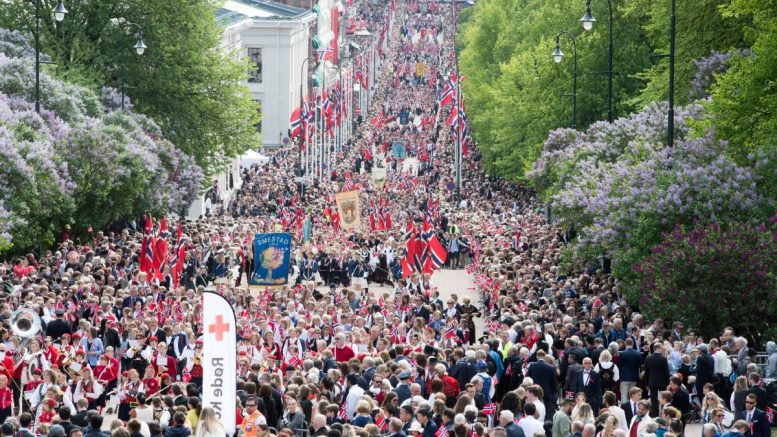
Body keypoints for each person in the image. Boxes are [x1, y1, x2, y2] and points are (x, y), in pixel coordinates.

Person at [644, 344, 670, 417]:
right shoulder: (663, 359)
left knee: (654, 400)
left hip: (652, 382)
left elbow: (647, 372)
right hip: (662, 382)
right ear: (658, 348)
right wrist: (667, 382)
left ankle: (655, 416)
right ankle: (663, 414)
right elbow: (666, 372)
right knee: (664, 399)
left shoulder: (648, 358)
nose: (663, 349)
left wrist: (647, 383)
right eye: (662, 348)